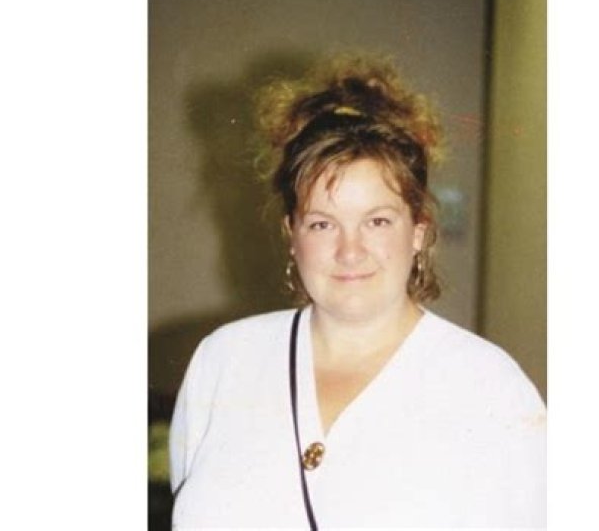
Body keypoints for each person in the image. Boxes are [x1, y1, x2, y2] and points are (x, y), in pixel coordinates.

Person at [169, 54, 546, 529]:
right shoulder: (224, 361)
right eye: (323, 223)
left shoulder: (490, 387)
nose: (350, 251)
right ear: (292, 234)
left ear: (418, 231)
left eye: (377, 221)